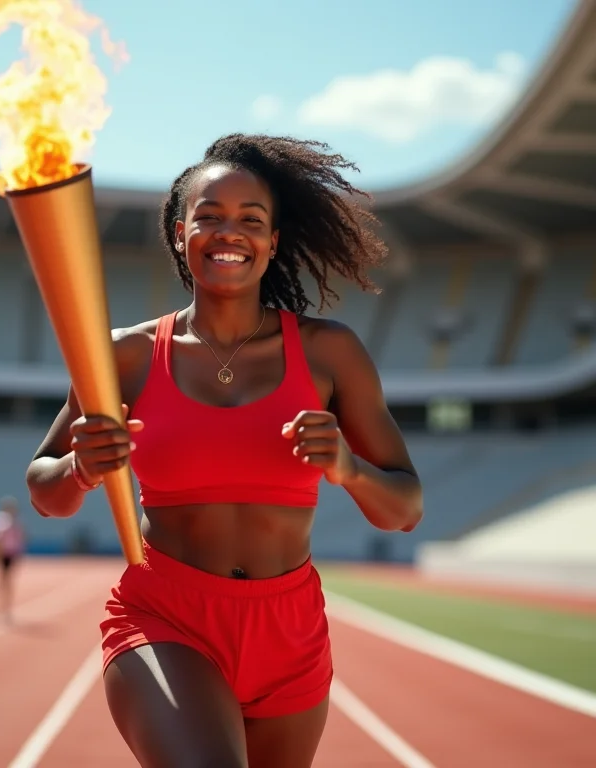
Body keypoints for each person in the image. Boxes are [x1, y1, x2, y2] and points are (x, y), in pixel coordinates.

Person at [26, 133, 423, 768]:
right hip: (165, 618)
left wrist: (349, 471)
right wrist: (81, 468)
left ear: (273, 241)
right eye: (208, 216)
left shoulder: (330, 352)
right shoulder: (124, 355)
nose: (228, 232)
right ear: (180, 233)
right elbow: (45, 492)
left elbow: (404, 509)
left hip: (290, 631)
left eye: (250, 220)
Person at [0, 496, 25, 622]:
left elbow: (20, 538)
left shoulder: (15, 522)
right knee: (2, 581)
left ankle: (6, 608)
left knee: (8, 582)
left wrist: (18, 553)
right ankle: (0, 608)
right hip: (2, 554)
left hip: (11, 554)